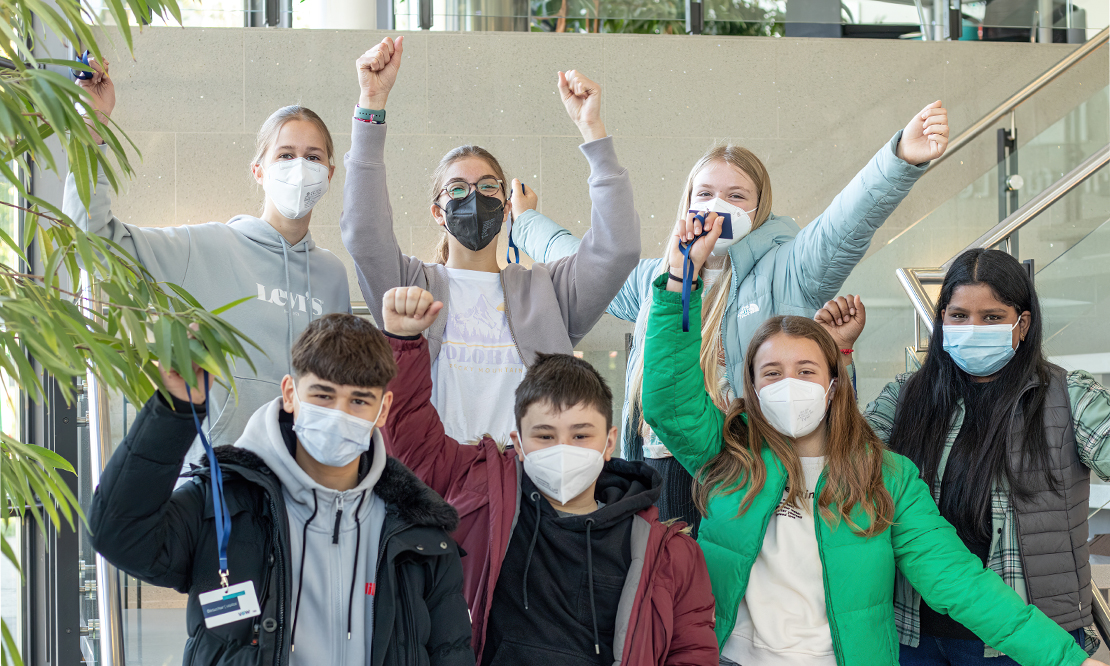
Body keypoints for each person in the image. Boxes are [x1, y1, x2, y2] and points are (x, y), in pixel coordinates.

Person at [637, 223, 1110, 666]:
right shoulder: (729, 457)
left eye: (806, 371)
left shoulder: (885, 477)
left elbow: (960, 583)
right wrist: (680, 285)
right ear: (753, 387)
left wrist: (1067, 659)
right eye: (772, 373)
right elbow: (668, 400)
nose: (790, 385)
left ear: (833, 384)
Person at [510, 102, 949, 533]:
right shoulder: (657, 280)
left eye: (736, 195)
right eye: (705, 194)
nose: (717, 205)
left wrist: (898, 160)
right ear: (687, 202)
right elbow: (579, 258)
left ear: (759, 209)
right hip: (657, 469)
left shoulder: (789, 268)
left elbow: (845, 221)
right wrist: (525, 220)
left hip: (744, 472)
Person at [88, 314, 472, 666]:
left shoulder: (420, 536)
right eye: (323, 395)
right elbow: (121, 534)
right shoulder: (226, 502)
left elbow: (450, 654)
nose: (339, 413)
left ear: (383, 409)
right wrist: (173, 410)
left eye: (359, 401)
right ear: (290, 393)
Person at [378, 285, 718, 666]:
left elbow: (693, 652)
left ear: (609, 443)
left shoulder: (669, 553)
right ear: (518, 444)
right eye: (544, 436)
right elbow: (413, 442)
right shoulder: (481, 492)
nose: (563, 448)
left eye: (580, 435)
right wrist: (404, 341)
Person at [340, 37, 641, 446]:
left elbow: (617, 248)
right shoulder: (410, 286)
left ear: (504, 206)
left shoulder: (547, 291)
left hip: (528, 487)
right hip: (434, 484)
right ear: (437, 212)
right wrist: (371, 105)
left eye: (487, 187)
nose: (474, 197)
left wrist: (592, 130)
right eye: (458, 190)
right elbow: (364, 232)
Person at [815, 248, 1110, 663]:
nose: (973, 328)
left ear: (1022, 324)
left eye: (991, 317)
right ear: (941, 321)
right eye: (958, 316)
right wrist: (836, 357)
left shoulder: (1067, 396)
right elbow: (839, 458)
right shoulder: (906, 396)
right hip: (913, 632)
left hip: (1026, 634)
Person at [64, 57, 352, 448]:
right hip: (218, 483)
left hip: (301, 484)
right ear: (259, 171)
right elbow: (94, 242)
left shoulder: (332, 274)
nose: (300, 167)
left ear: (330, 174)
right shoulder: (204, 248)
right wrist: (91, 127)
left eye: (313, 157)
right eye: (285, 155)